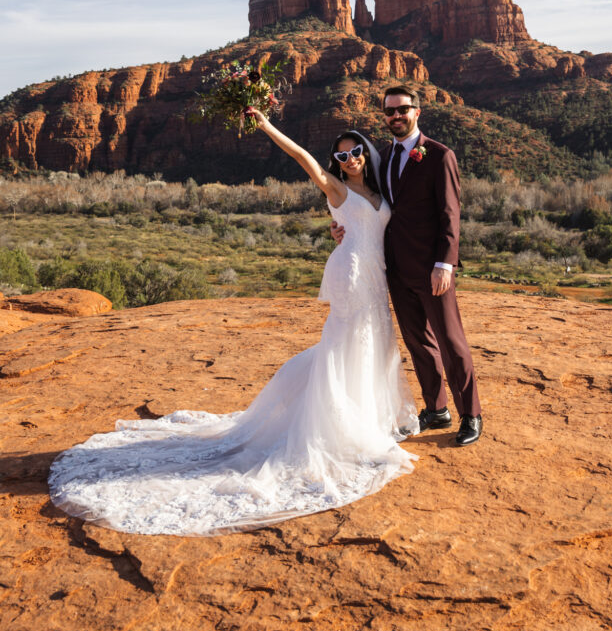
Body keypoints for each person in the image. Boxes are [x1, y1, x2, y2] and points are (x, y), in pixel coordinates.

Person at [48, 113, 418, 536]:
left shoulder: (377, 188)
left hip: (375, 272)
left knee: (374, 341)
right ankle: (342, 429)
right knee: (348, 341)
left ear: (366, 154)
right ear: (335, 160)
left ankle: (365, 419)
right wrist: (263, 124)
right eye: (341, 154)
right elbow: (301, 157)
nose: (349, 158)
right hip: (351, 272)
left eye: (355, 152)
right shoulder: (335, 187)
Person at [332, 86, 482, 447]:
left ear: (417, 112)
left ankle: (471, 415)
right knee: (418, 341)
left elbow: (450, 215)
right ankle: (436, 408)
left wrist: (445, 263)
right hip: (395, 269)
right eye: (389, 112)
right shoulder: (380, 157)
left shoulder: (440, 156)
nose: (395, 116)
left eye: (402, 110)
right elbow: (367, 204)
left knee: (450, 341)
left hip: (432, 269)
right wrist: (342, 228)